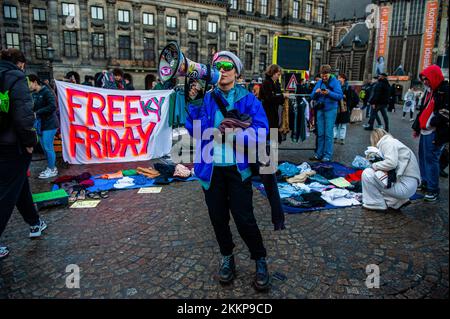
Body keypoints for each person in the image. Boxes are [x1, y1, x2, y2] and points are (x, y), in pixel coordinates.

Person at [185, 51, 271, 291]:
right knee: (218, 219)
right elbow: (194, 131)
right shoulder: (205, 98)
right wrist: (192, 103)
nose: (222, 70)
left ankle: (260, 259)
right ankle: (227, 257)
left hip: (238, 170)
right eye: (217, 66)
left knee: (245, 219)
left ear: (237, 71)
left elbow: (262, 132)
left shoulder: (249, 99)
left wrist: (236, 135)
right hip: (210, 170)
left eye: (227, 66)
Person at [0, 49, 48, 259]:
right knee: (6, 194)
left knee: (19, 186)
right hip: (12, 144)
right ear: (20, 64)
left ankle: (34, 222)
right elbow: (23, 114)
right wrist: (30, 142)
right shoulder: (15, 78)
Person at [412, 64, 449, 202]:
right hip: (426, 131)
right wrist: (417, 127)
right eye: (423, 79)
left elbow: (445, 113)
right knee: (423, 157)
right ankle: (426, 182)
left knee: (431, 159)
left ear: (433, 77)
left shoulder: (445, 91)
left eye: (426, 79)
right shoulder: (431, 91)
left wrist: (432, 122)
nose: (425, 82)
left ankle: (433, 190)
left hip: (436, 131)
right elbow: (423, 110)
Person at [361, 129, 420, 212]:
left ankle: (375, 203)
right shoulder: (393, 142)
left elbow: (391, 163)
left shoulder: (387, 143)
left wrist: (374, 165)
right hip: (410, 185)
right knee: (381, 176)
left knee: (367, 173)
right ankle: (396, 201)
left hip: (405, 186)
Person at [309, 64, 343, 162]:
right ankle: (318, 154)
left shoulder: (335, 82)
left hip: (331, 110)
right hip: (320, 109)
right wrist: (316, 92)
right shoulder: (319, 82)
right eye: (322, 76)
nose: (324, 77)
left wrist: (329, 93)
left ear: (329, 74)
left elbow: (340, 96)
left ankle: (327, 155)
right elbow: (311, 96)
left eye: (325, 76)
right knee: (320, 133)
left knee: (328, 134)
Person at [28, 74, 59, 178]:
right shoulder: (34, 94)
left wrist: (37, 113)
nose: (28, 86)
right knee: (44, 148)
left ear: (35, 82)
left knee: (48, 147)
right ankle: (50, 167)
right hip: (40, 125)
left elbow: (53, 106)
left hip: (50, 124)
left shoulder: (46, 92)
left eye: (29, 83)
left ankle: (52, 169)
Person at [259, 64, 289, 143]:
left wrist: (282, 97)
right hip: (266, 112)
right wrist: (282, 96)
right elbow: (269, 98)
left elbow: (278, 99)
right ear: (272, 73)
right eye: (278, 74)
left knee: (273, 133)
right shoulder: (266, 83)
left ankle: (272, 152)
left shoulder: (275, 83)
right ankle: (267, 152)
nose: (278, 76)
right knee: (268, 133)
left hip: (274, 112)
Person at [333, 73, 353, 145]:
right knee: (335, 123)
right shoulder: (336, 86)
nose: (338, 79)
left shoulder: (348, 87)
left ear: (343, 79)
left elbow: (351, 98)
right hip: (336, 106)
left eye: (339, 78)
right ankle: (334, 137)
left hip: (344, 107)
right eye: (338, 78)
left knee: (343, 124)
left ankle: (342, 138)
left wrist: (345, 97)